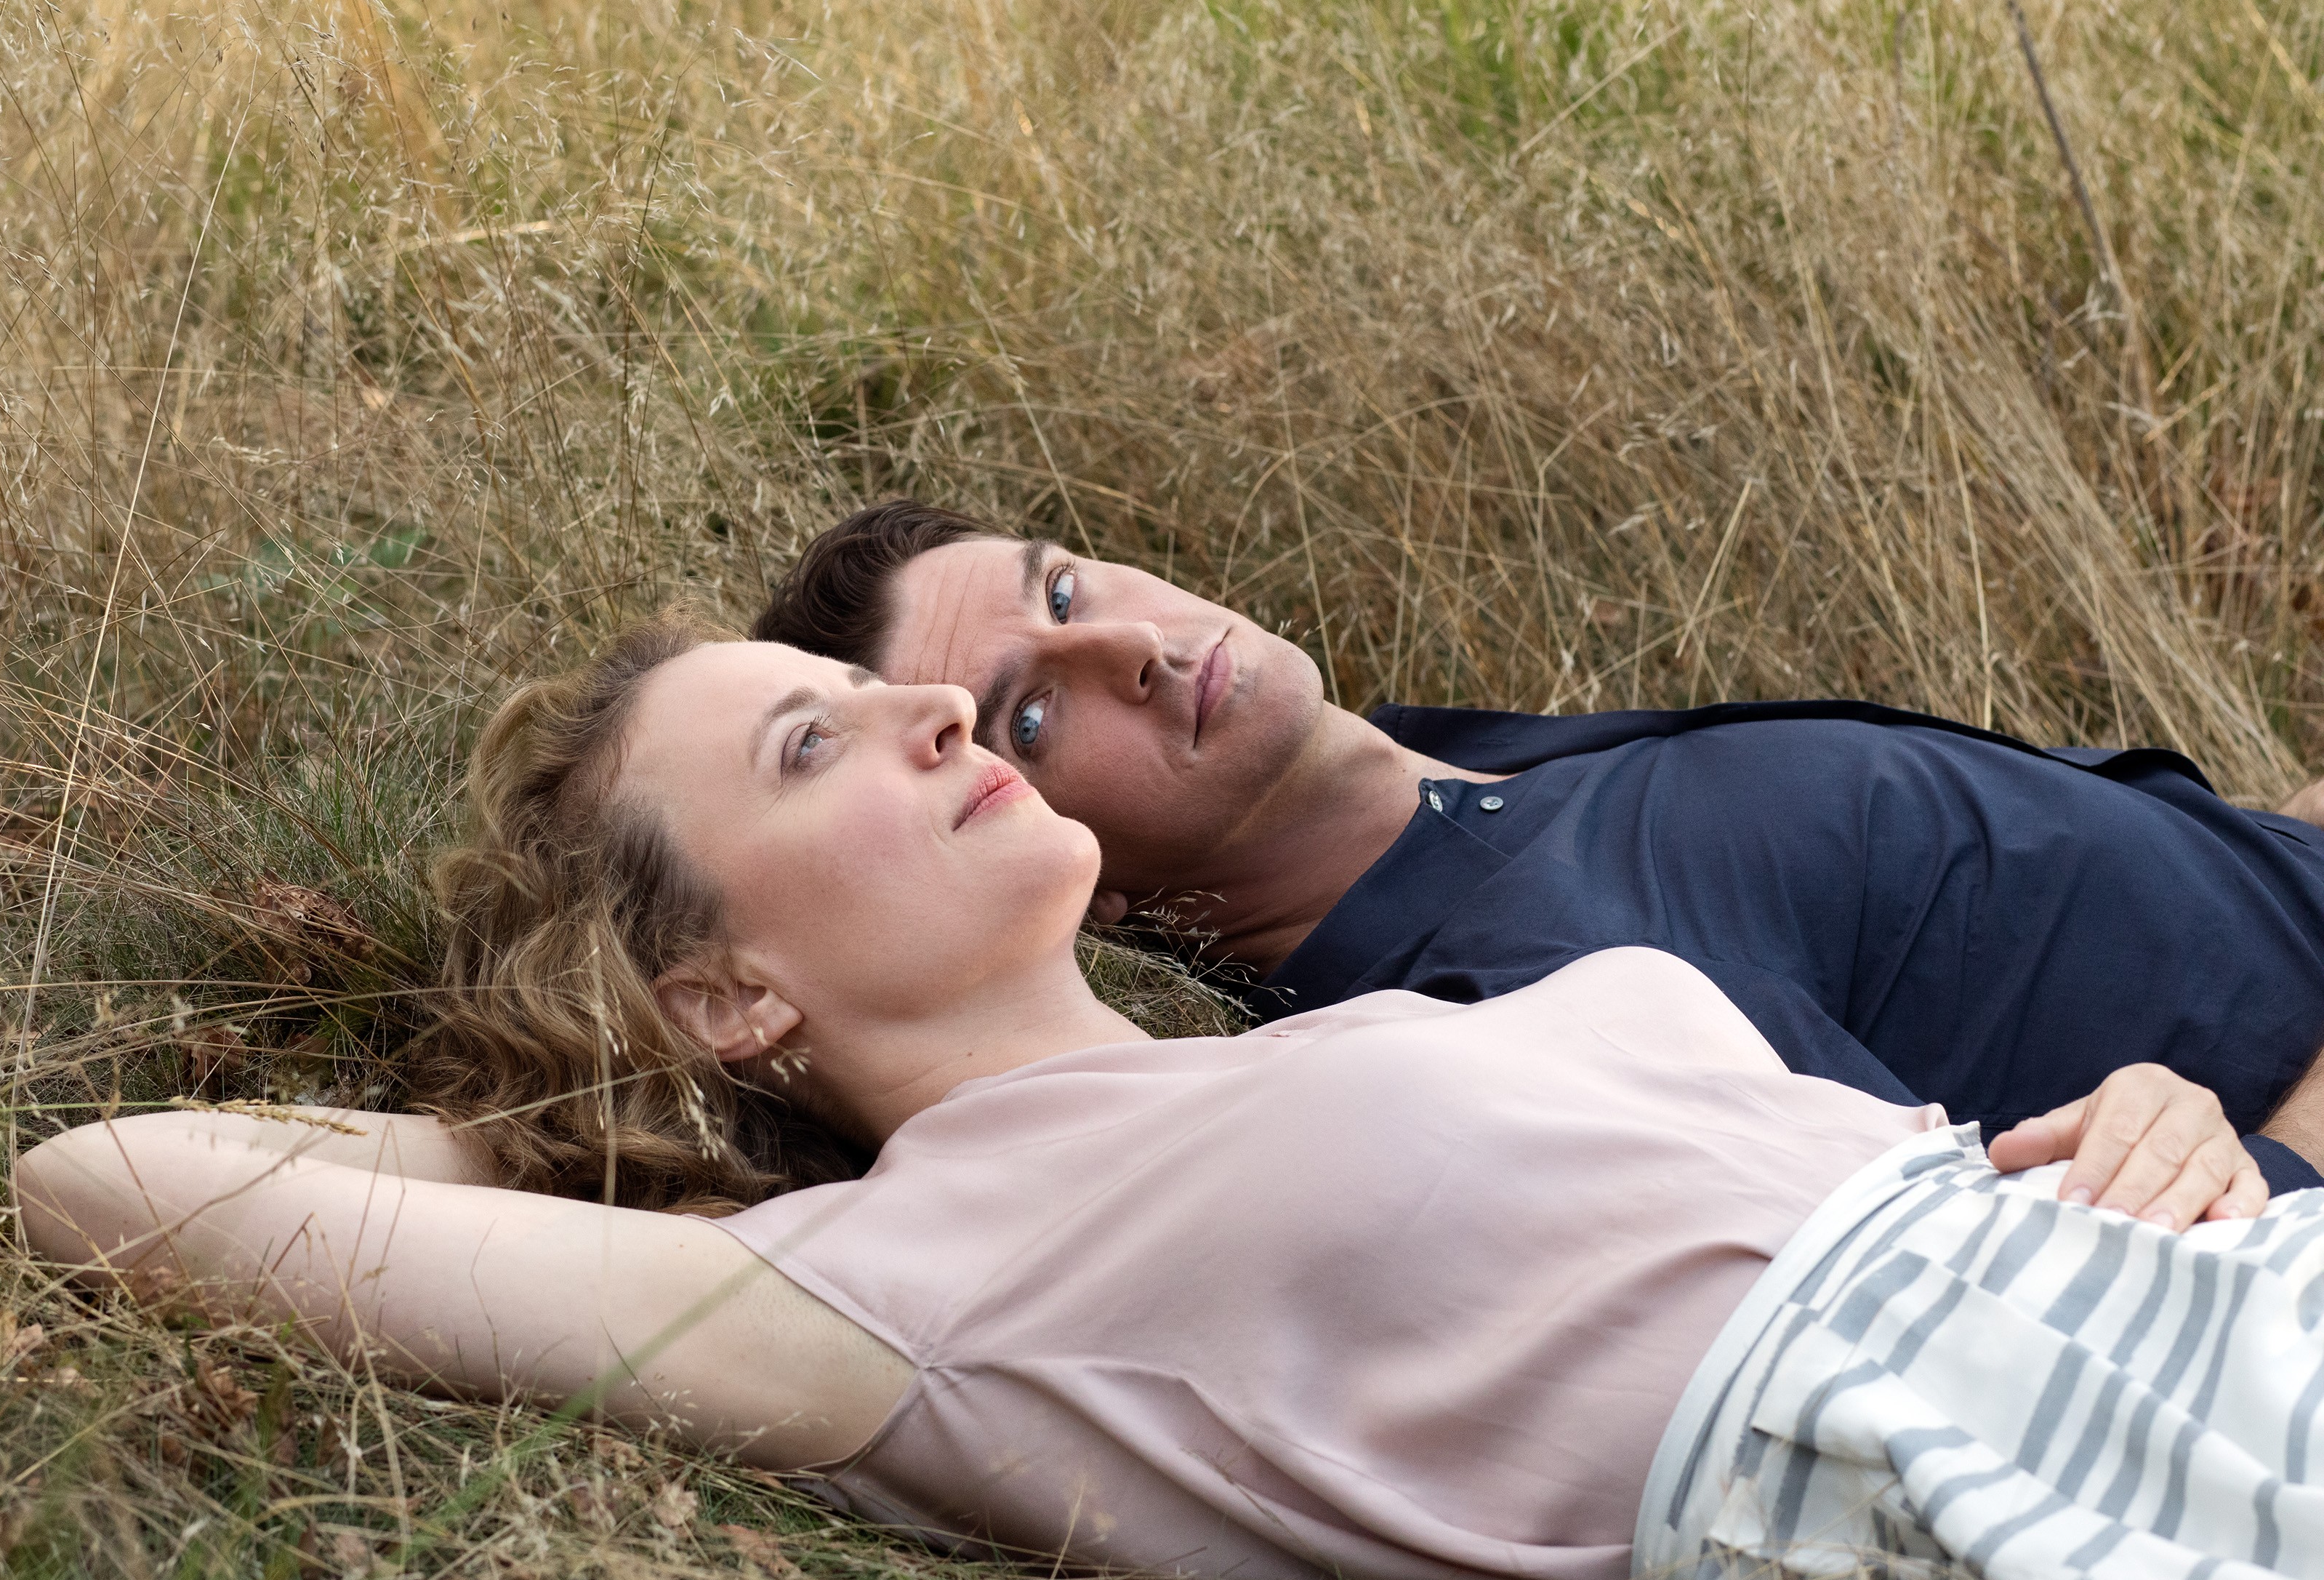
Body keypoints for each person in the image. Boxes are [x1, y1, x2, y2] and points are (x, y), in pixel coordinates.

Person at [19, 622, 2324, 1580]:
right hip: (2051, 1492)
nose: (931, 709)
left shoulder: (1327, 1035)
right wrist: (609, 1121)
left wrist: (2156, 1115)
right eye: (814, 745)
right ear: (725, 988)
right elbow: (111, 1183)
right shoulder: (906, 1279)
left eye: (885, 686)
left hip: (2214, 1297)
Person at [751, 500, 2324, 1191]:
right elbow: (2063, 1297)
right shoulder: (1527, 1001)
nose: (1131, 650)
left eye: (1064, 589)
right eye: (1033, 718)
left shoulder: (1456, 773)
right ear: (1058, 859)